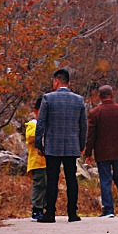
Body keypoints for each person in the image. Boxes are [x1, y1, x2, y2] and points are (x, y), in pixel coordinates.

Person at [34, 69, 88, 222]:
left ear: (56, 81)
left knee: (52, 179)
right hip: (71, 145)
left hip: (52, 145)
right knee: (71, 178)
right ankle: (72, 213)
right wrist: (82, 144)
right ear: (68, 83)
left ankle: (50, 213)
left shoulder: (48, 99)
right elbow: (83, 125)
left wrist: (39, 143)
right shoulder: (78, 100)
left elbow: (41, 123)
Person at [84, 84, 118, 218]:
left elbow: (91, 135)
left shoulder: (95, 113)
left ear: (99, 97)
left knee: (105, 179)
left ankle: (108, 209)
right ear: (112, 95)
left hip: (102, 152)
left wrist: (88, 153)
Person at [24, 96, 46, 220]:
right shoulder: (33, 124)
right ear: (36, 111)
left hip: (48, 162)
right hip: (37, 162)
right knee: (39, 185)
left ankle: (46, 207)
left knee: (48, 185)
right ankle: (36, 209)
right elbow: (31, 137)